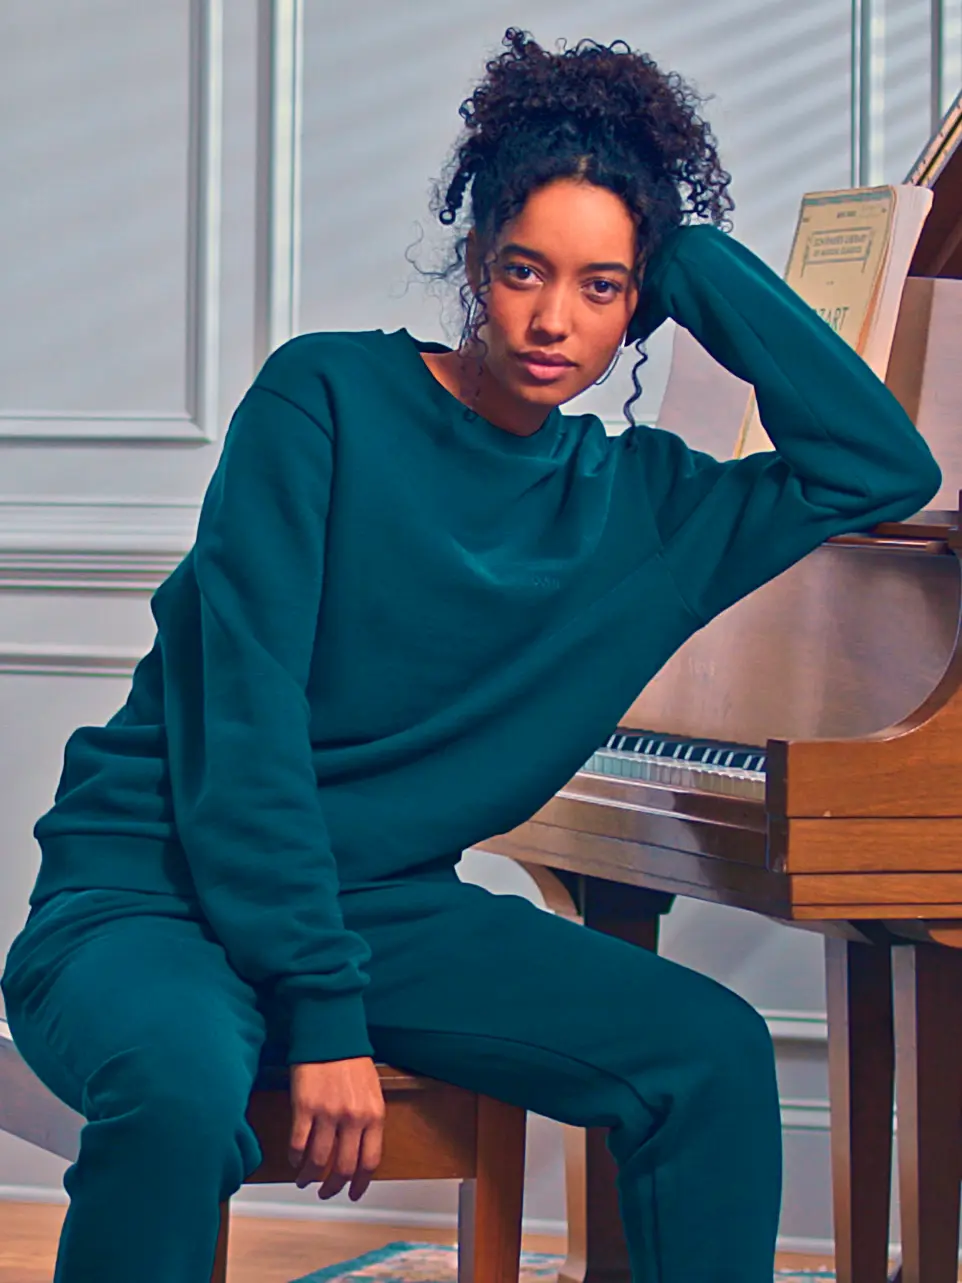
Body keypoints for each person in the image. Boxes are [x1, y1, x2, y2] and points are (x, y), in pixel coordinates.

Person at [0, 28, 939, 1283]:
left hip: (376, 906)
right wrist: (323, 1013)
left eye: (603, 285)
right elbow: (247, 734)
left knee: (704, 1054)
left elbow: (881, 467)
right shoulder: (320, 401)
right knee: (177, 1094)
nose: (554, 319)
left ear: (640, 297)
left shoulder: (643, 512)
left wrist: (698, 258)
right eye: (523, 269)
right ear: (474, 255)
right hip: (149, 890)